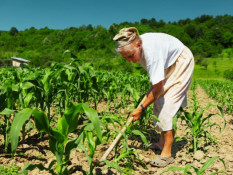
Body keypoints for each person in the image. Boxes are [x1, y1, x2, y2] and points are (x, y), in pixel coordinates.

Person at [113, 27, 194, 167]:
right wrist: (142, 105)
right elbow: (156, 88)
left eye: (130, 56)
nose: (129, 61)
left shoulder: (151, 54)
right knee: (159, 103)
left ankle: (167, 154)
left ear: (138, 44)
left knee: (168, 106)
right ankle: (161, 143)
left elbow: (157, 90)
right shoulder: (140, 49)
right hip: (167, 64)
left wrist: (141, 108)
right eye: (125, 58)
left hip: (181, 61)